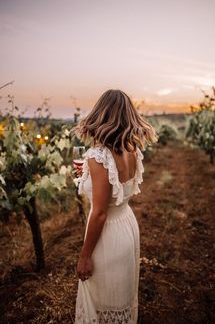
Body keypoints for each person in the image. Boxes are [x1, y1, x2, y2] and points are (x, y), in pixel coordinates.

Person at [72, 89, 157, 324]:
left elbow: (99, 213)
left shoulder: (98, 154)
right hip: (127, 225)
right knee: (120, 296)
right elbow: (113, 186)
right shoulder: (133, 150)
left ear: (101, 114)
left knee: (101, 300)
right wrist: (88, 174)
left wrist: (84, 256)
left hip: (108, 234)